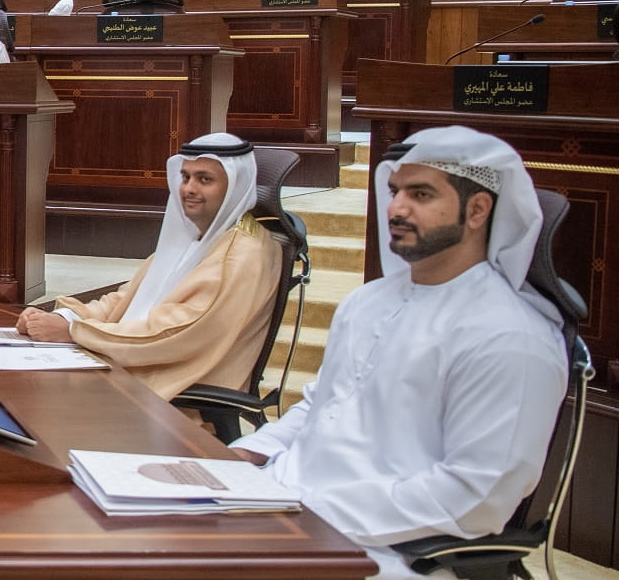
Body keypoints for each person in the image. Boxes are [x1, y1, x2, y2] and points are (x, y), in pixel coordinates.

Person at [230, 127, 569, 580]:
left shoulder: (509, 336)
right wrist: (250, 453)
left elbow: (477, 497)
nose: (397, 208)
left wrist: (307, 511)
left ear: (477, 210)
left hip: (383, 551)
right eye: (395, 192)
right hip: (284, 507)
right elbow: (322, 405)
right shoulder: (367, 301)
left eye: (421, 194)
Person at [17, 133, 281, 399]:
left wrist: (75, 332)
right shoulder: (196, 237)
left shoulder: (241, 255)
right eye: (186, 177)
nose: (189, 189)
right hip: (134, 368)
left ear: (235, 186)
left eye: (205, 180)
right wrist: (64, 317)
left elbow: (173, 335)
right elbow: (123, 301)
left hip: (172, 393)